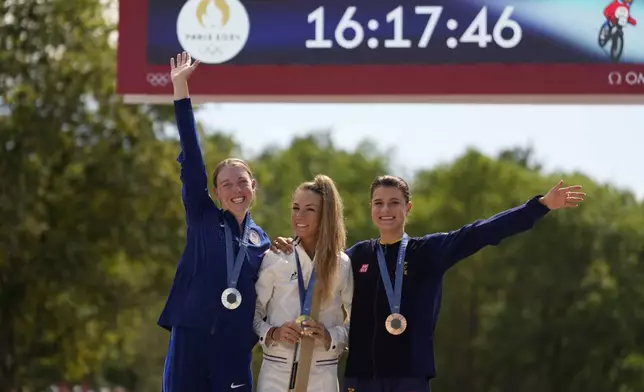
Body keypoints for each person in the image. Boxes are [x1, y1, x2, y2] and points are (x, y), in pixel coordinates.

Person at [271, 175, 586, 392]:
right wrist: (290, 243)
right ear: (370, 209)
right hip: (362, 377)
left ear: (408, 209)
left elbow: (482, 232)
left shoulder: (430, 251)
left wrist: (539, 206)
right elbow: (314, 265)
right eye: (378, 203)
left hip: (411, 376)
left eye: (394, 203)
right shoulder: (356, 256)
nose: (385, 210)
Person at [158, 52, 271, 392]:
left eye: (242, 182)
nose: (235, 190)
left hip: (233, 348)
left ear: (254, 188)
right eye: (226, 184)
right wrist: (181, 89)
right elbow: (192, 158)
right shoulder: (203, 217)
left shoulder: (263, 242)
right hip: (192, 335)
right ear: (216, 193)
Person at [254, 175, 353, 392]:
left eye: (309, 209)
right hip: (275, 375)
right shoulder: (275, 257)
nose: (299, 215)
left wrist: (331, 337)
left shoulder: (342, 263)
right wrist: (272, 333)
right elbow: (253, 313)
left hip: (322, 375)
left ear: (325, 215)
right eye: (295, 208)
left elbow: (355, 318)